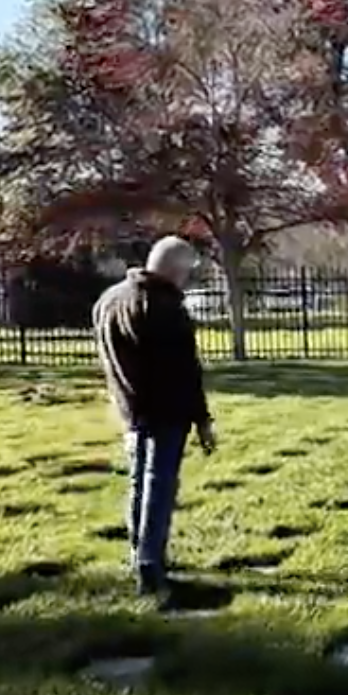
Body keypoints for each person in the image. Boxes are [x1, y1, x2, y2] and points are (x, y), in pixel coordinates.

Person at [92, 236, 217, 599]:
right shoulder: (162, 307)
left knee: (139, 483)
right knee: (159, 486)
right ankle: (150, 564)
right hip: (164, 409)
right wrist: (202, 419)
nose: (187, 281)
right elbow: (184, 371)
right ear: (174, 270)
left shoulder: (109, 300)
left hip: (130, 408)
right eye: (186, 273)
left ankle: (141, 553)